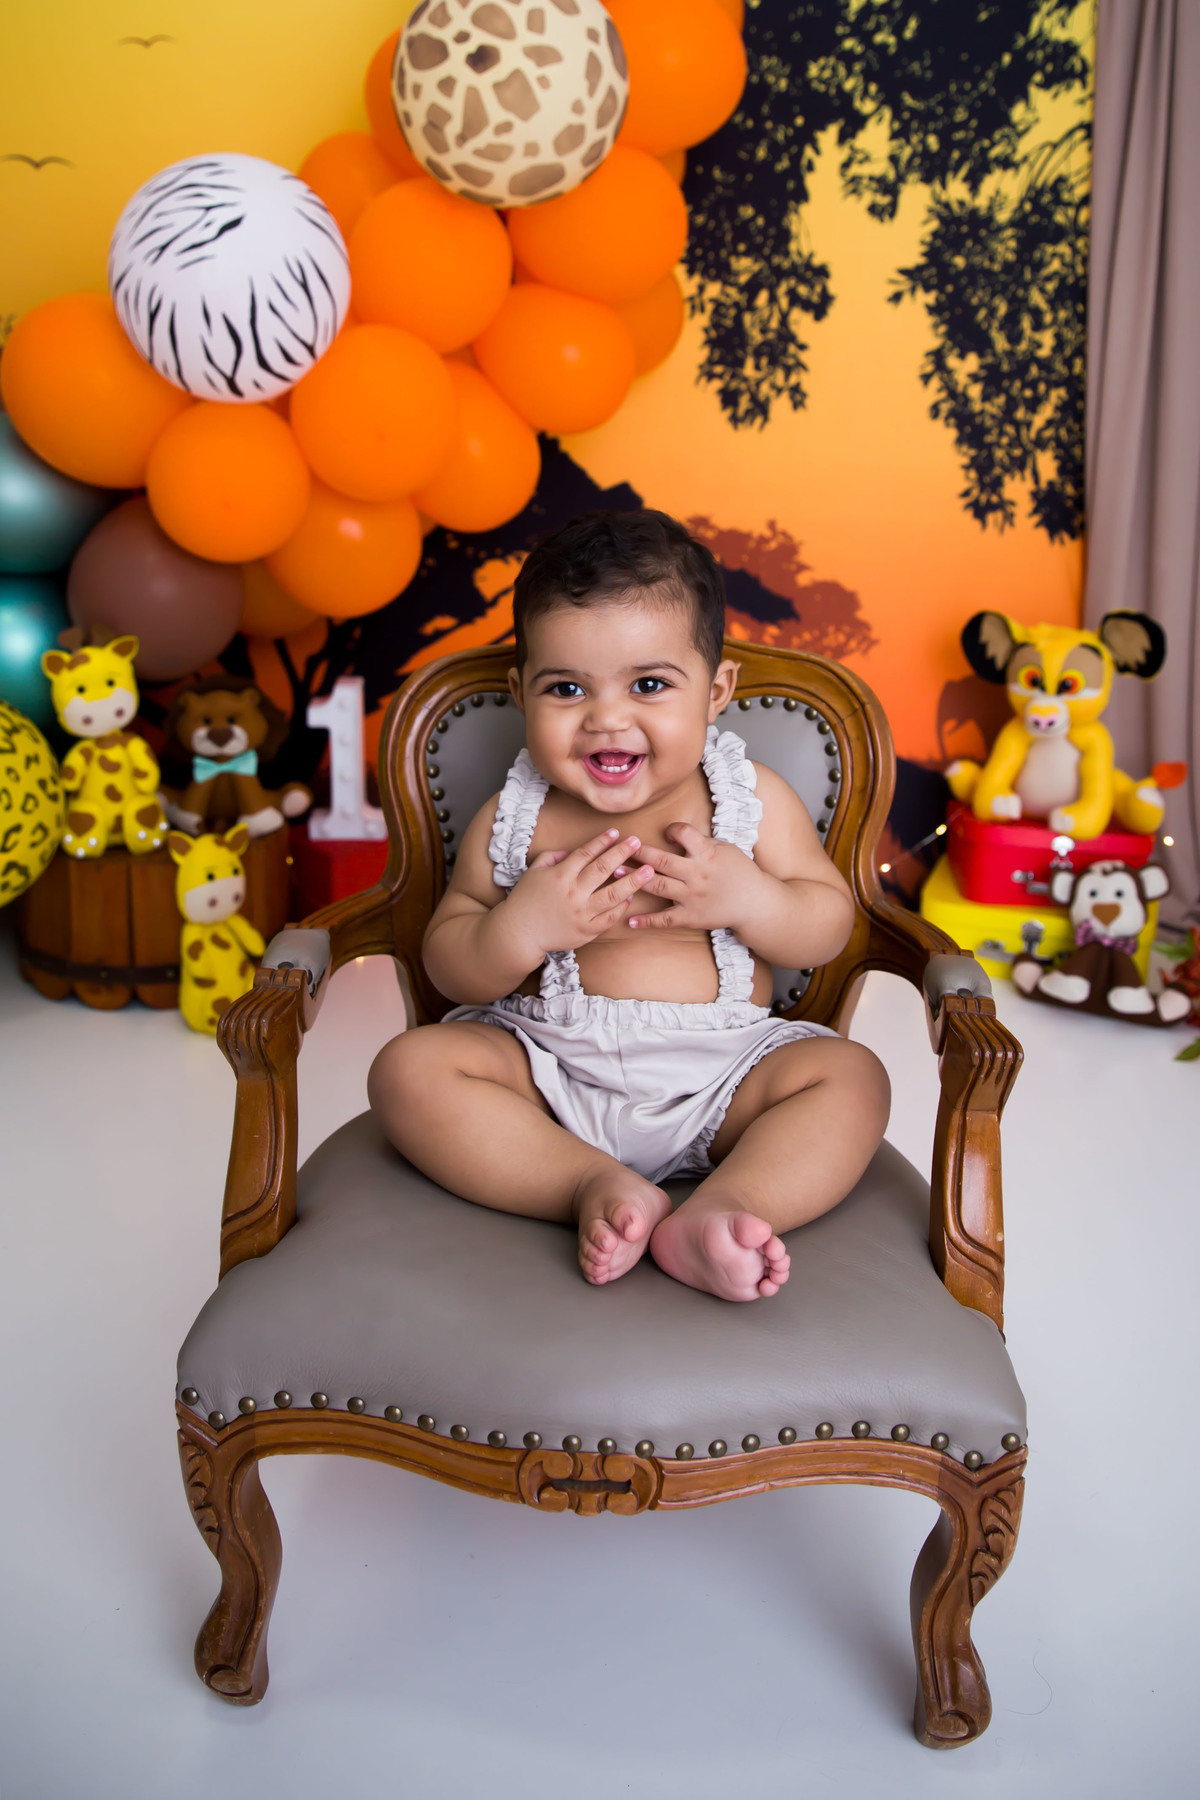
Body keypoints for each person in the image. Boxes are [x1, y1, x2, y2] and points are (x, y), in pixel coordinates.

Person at [368, 510, 890, 1301]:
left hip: (723, 1075)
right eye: (566, 688)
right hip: (548, 1072)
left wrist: (751, 898)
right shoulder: (517, 815)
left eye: (648, 684)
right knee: (408, 1071)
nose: (606, 718)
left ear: (715, 692)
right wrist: (518, 928)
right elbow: (448, 959)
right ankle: (584, 1183)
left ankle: (724, 1209)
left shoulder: (748, 801)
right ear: (520, 694)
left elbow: (827, 925)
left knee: (853, 1078)